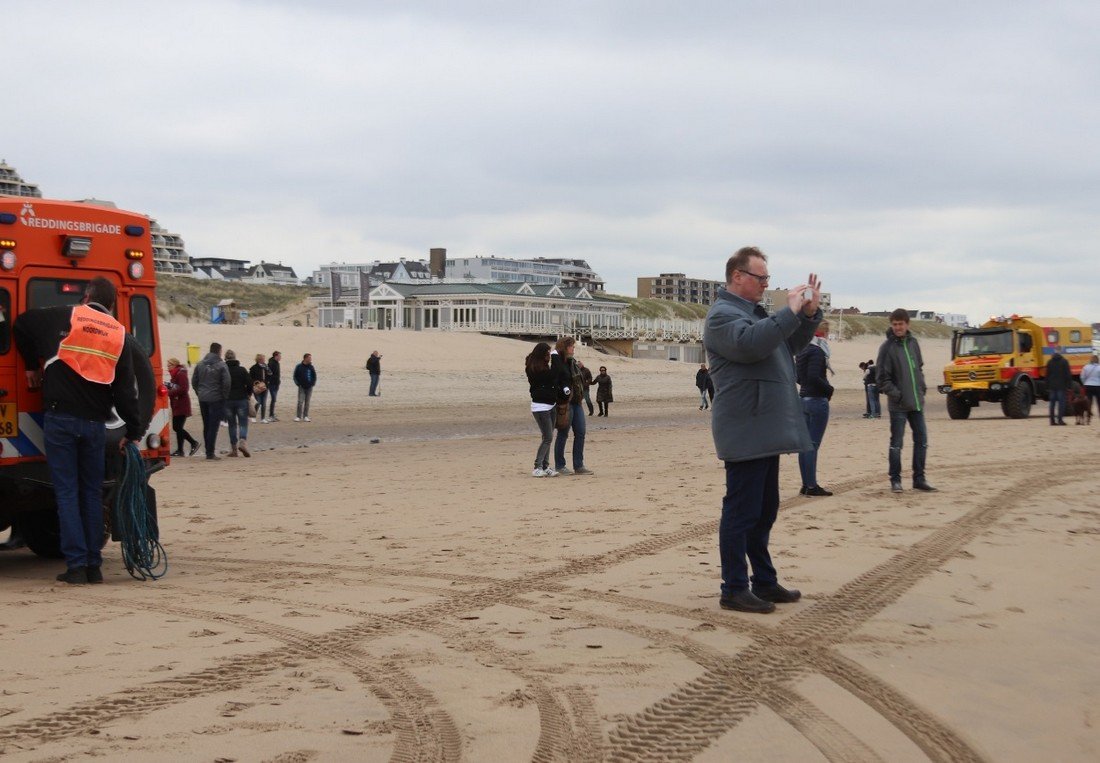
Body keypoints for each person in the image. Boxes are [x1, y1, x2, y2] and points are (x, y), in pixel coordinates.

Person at [704, 246, 821, 614]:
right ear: (737, 277)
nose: (765, 284)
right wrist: (788, 311)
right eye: (761, 278)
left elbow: (786, 346)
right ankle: (734, 587)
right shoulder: (722, 317)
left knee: (765, 509)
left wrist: (809, 315)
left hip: (763, 427)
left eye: (767, 278)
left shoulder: (753, 314)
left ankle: (764, 582)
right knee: (741, 511)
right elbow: (753, 344)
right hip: (745, 427)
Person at [12, 277, 146, 584]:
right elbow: (127, 391)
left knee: (67, 494)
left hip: (61, 421)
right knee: (90, 493)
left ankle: (75, 566)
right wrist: (134, 430)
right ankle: (94, 566)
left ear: (86, 296)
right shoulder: (118, 334)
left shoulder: (65, 316)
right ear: (113, 303)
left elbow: (20, 324)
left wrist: (32, 365)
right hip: (96, 425)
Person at [876, 309, 935, 493]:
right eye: (894, 324)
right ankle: (895, 480)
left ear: (907, 324)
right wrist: (897, 394)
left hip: (916, 402)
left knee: (922, 440)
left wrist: (921, 388)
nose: (898, 327)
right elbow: (881, 379)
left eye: (901, 324)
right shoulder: (887, 348)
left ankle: (919, 478)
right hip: (898, 405)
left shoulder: (913, 343)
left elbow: (919, 369)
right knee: (897, 444)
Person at [796, 321, 834, 496]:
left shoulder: (803, 349)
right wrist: (828, 389)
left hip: (803, 398)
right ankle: (811, 485)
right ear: (823, 332)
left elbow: (798, 376)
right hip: (816, 399)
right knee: (812, 445)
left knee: (805, 445)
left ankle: (806, 484)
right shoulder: (818, 350)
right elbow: (813, 376)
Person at [551, 337, 593, 475]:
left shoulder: (573, 362)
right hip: (566, 403)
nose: (573, 349)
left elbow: (580, 378)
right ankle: (560, 465)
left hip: (577, 402)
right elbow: (557, 380)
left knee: (580, 432)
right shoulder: (558, 362)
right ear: (565, 347)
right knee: (563, 433)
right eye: (571, 346)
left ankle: (579, 465)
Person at [525, 341, 567, 477]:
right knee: (548, 437)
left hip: (551, 405)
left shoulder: (544, 366)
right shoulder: (534, 368)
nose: (549, 355)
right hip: (540, 407)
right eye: (548, 353)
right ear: (542, 354)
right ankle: (537, 467)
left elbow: (557, 374)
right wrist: (555, 356)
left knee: (548, 436)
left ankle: (545, 466)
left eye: (550, 353)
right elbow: (555, 373)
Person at [191, 342, 230, 460]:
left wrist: (199, 392)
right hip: (216, 398)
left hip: (203, 398)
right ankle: (210, 452)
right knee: (213, 426)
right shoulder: (221, 365)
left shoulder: (200, 364)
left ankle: (208, 450)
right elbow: (227, 383)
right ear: (219, 351)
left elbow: (194, 381)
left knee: (206, 425)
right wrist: (224, 396)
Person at [166, 358, 200, 457]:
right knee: (178, 427)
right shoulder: (176, 374)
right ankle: (180, 450)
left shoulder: (180, 374)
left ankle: (193, 443)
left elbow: (184, 389)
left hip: (182, 405)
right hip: (177, 405)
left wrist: (169, 392)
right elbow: (176, 387)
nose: (168, 367)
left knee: (177, 427)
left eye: (169, 365)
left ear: (174, 365)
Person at [224, 350, 253, 456]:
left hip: (228, 401)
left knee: (231, 425)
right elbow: (249, 383)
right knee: (243, 423)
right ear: (235, 358)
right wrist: (248, 394)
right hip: (241, 399)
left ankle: (234, 449)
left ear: (225, 359)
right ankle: (242, 442)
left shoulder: (224, 370)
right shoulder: (242, 370)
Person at [1046, 352, 1071, 426]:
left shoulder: (1049, 362)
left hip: (1052, 386)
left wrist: (1047, 385)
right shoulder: (1064, 361)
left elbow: (1047, 374)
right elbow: (1067, 374)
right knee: (1061, 403)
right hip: (1061, 386)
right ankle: (1060, 420)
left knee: (1052, 404)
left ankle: (1052, 421)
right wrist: (1069, 386)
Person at [294, 353, 317, 421]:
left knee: (307, 402)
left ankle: (305, 416)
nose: (310, 359)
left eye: (310, 358)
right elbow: (295, 376)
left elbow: (314, 376)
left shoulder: (311, 367)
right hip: (301, 387)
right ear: (305, 358)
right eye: (309, 358)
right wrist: (298, 384)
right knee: (300, 402)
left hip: (309, 387)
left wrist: (313, 383)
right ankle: (298, 416)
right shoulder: (299, 366)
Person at [250, 353, 271, 423]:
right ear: (259, 360)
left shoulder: (266, 367)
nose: (264, 360)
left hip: (265, 387)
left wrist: (267, 382)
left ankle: (263, 418)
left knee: (264, 403)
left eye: (264, 359)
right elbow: (250, 378)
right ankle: (253, 417)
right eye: (263, 359)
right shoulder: (253, 368)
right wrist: (256, 383)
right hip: (257, 388)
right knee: (258, 402)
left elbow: (270, 374)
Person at [267, 350, 282, 421]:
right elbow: (269, 374)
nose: (280, 357)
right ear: (275, 356)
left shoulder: (277, 363)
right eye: (279, 356)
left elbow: (277, 374)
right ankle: (271, 415)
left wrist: (278, 381)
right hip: (272, 384)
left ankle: (272, 414)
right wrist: (270, 381)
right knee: (273, 399)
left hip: (276, 383)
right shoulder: (271, 363)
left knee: (274, 399)